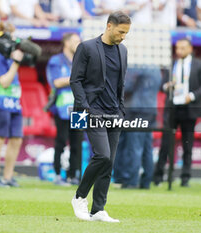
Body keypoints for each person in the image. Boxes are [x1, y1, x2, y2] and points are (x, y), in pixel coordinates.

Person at [70, 11, 131, 222]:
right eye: (121, 31)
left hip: (115, 112)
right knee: (103, 155)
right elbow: (75, 80)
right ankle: (79, 197)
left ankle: (98, 209)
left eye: (126, 33)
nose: (123, 36)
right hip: (91, 111)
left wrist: (121, 110)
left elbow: (120, 84)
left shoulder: (123, 50)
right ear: (109, 26)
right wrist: (84, 107)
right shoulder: (86, 48)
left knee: (109, 162)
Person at [153, 38, 201, 187]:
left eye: (183, 48)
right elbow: (162, 86)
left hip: (189, 108)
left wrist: (190, 96)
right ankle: (158, 176)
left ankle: (185, 178)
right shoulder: (172, 64)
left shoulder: (199, 64)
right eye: (178, 48)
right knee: (166, 143)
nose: (180, 51)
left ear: (190, 49)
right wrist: (167, 86)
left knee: (187, 144)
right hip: (173, 107)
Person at [0, 22, 24, 187]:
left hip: (14, 101)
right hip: (0, 100)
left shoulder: (9, 56)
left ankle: (8, 177)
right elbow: (4, 82)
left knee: (16, 139)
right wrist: (16, 62)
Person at [114, 68, 161, 189]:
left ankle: (131, 180)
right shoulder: (155, 68)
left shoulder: (137, 67)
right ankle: (146, 181)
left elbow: (127, 87)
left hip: (136, 110)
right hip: (151, 109)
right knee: (146, 147)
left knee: (134, 147)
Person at [46, 33, 83, 186]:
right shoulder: (56, 60)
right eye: (75, 41)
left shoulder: (82, 61)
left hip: (80, 108)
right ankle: (57, 174)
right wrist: (77, 78)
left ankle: (74, 175)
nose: (78, 44)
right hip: (62, 107)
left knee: (77, 142)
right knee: (61, 141)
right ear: (66, 43)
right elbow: (56, 82)